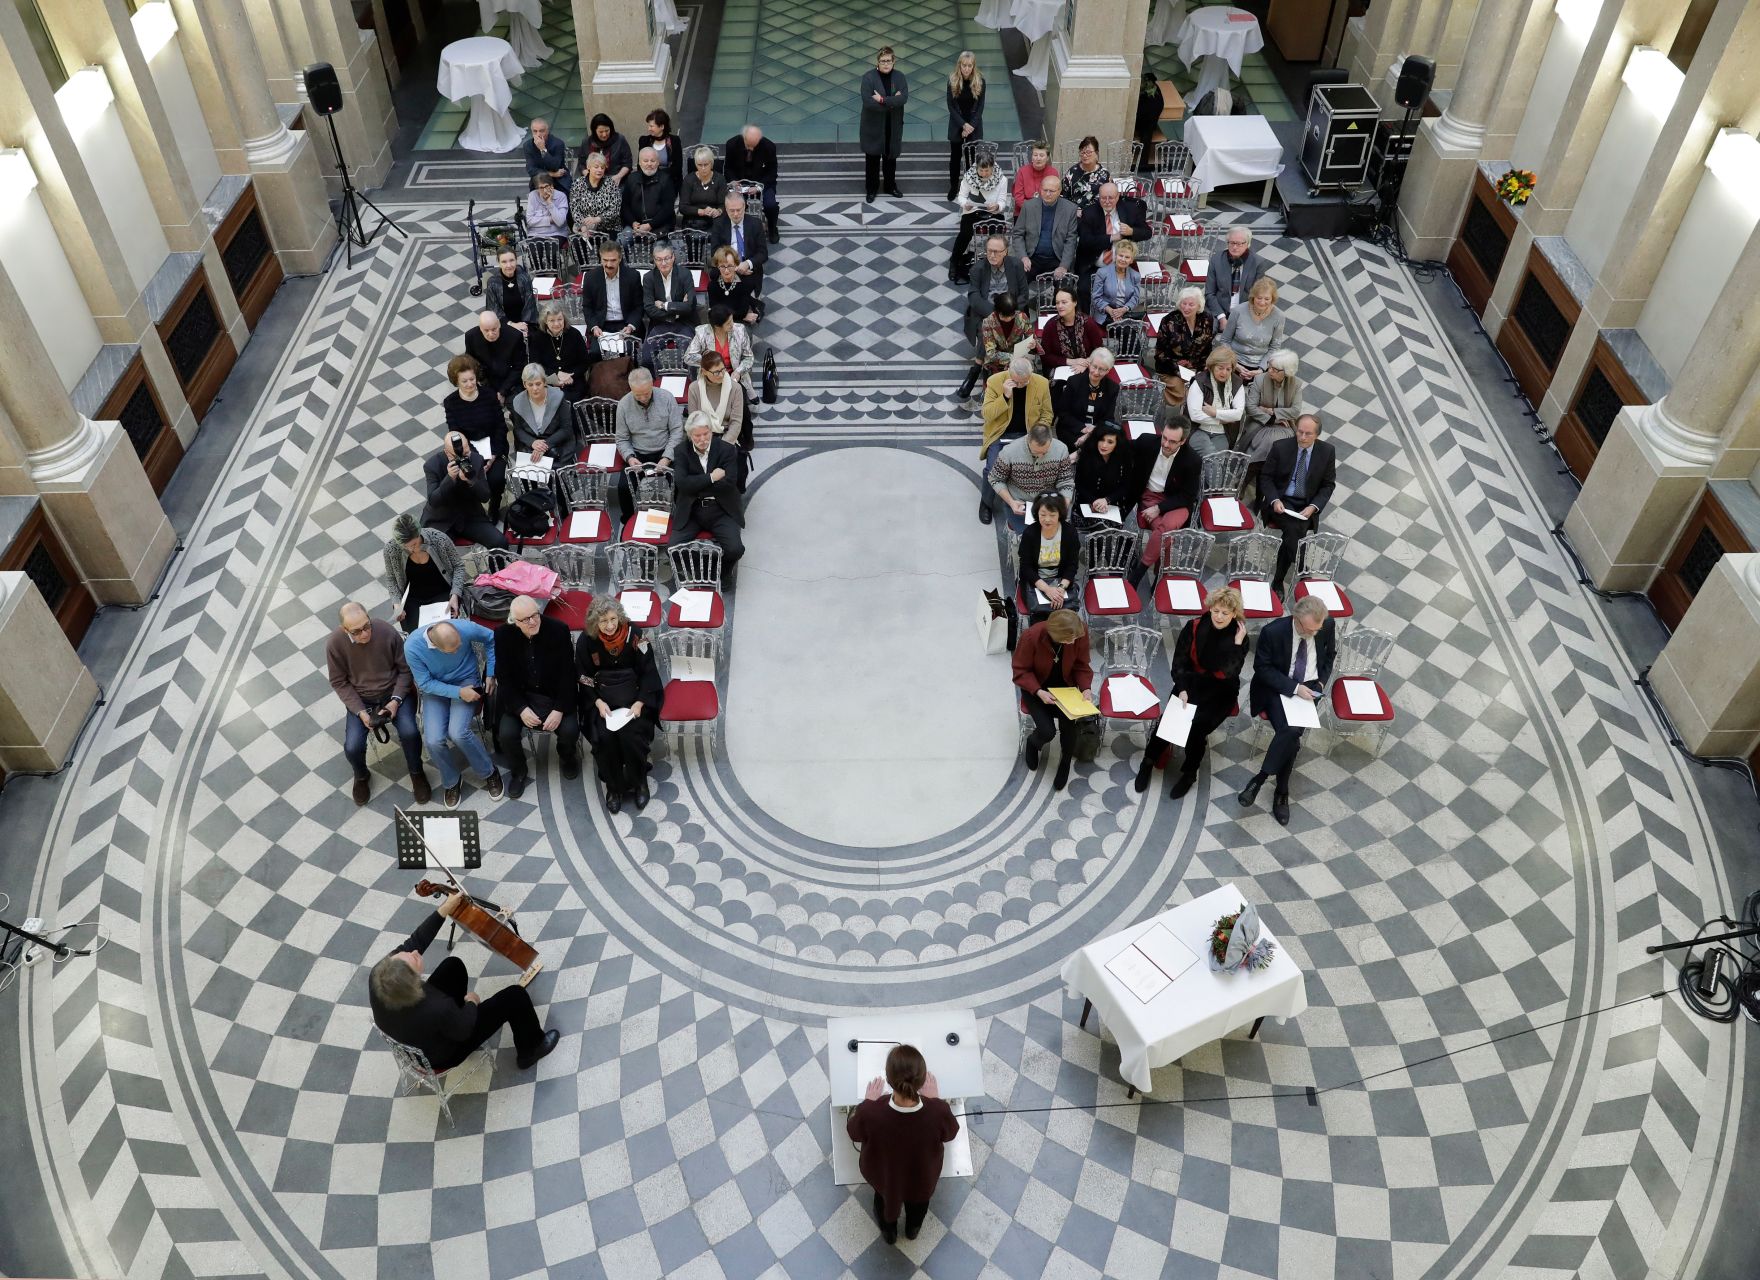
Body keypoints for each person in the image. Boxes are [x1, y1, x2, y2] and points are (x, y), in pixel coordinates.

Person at [368, 895, 559, 1072]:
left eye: (407, 953)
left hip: (413, 1035)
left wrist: (443, 910)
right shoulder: (437, 1007)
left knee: (453, 966)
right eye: (414, 959)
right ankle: (531, 1049)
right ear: (414, 985)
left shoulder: (380, 975)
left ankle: (453, 1017)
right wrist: (471, 1003)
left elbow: (415, 941)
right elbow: (463, 1030)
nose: (415, 953)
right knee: (515, 996)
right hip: (442, 1054)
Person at [1134, 587, 1249, 799]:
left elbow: (1228, 672)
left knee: (1196, 731)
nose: (1219, 616)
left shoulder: (1240, 635)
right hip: (1191, 683)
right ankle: (1148, 760)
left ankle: (1189, 773)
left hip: (1219, 691)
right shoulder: (1194, 626)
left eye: (1225, 613)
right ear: (1210, 608)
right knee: (1169, 720)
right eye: (1216, 611)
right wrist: (1183, 689)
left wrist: (1237, 643)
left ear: (1234, 614)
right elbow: (1179, 663)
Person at [846, 1044, 960, 1245]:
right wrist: (935, 1100)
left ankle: (889, 1234)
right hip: (921, 1180)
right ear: (923, 1080)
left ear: (889, 1081)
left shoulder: (870, 1112)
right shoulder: (938, 1111)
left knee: (884, 1205)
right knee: (918, 1210)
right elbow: (950, 1133)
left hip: (885, 1179)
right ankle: (912, 1231)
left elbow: (854, 1133)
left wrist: (867, 1102)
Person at [1241, 595, 1335, 825]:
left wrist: (1321, 683)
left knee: (1291, 731)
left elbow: (1329, 656)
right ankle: (1281, 792)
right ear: (1297, 619)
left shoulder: (1326, 625)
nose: (1315, 633)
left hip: (1311, 688)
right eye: (1310, 630)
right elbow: (1262, 668)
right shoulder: (1272, 632)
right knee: (1292, 734)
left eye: (1318, 629)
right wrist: (1294, 687)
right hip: (1278, 688)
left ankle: (1260, 779)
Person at [328, 601, 430, 805]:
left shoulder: (385, 630)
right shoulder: (335, 644)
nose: (365, 634)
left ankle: (416, 772)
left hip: (393, 693)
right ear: (344, 629)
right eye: (356, 632)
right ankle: (362, 775)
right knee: (352, 746)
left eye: (367, 626)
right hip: (362, 700)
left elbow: (405, 669)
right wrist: (360, 712)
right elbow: (339, 682)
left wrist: (395, 701)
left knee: (410, 732)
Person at [576, 597, 663, 812]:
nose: (610, 625)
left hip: (634, 701)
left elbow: (648, 669)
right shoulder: (586, 640)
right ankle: (614, 788)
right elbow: (584, 676)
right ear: (595, 622)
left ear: (620, 617)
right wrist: (596, 701)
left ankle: (639, 783)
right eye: (604, 620)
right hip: (602, 703)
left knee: (631, 736)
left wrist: (641, 702)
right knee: (605, 738)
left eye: (613, 618)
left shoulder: (636, 634)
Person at [405, 619, 503, 808]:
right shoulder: (412, 647)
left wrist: (491, 672)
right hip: (435, 688)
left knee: (458, 732)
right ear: (435, 646)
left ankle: (489, 772)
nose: (459, 650)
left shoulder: (463, 627)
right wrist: (458, 693)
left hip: (466, 679)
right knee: (433, 739)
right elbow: (424, 684)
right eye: (453, 650)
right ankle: (451, 781)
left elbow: (491, 637)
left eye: (460, 644)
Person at [494, 595, 580, 799]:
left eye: (535, 615)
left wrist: (559, 709)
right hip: (521, 696)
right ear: (514, 621)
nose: (532, 622)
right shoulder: (502, 635)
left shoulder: (559, 630)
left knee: (569, 731)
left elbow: (568, 673)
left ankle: (567, 757)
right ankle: (519, 771)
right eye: (525, 619)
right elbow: (504, 677)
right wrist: (521, 709)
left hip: (554, 694)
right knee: (506, 734)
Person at [1012, 608, 1094, 790]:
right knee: (1047, 731)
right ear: (1055, 634)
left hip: (1065, 688)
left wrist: (1086, 687)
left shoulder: (1079, 631)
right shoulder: (1031, 637)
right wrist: (1038, 691)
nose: (1074, 642)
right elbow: (1021, 670)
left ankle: (1065, 761)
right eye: (1069, 640)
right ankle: (1033, 744)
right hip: (1037, 688)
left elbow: (1082, 664)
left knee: (1069, 725)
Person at [1259, 413, 1337, 592]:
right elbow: (1266, 477)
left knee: (1293, 533)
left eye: (1308, 434)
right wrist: (1274, 499)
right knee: (1295, 530)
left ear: (1317, 435)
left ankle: (1279, 581)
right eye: (1299, 432)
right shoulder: (1280, 447)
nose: (1302, 437)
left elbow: (1328, 485)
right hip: (1282, 501)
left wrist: (1313, 507)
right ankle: (1300, 570)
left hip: (1306, 503)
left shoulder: (1327, 452)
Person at [670, 412, 745, 586]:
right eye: (697, 436)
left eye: (706, 434)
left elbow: (729, 483)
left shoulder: (727, 449)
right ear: (690, 435)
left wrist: (695, 486)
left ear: (711, 431)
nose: (703, 439)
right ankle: (701, 569)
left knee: (735, 549)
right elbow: (682, 483)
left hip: (721, 508)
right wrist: (711, 478)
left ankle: (723, 572)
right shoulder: (681, 451)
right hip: (692, 509)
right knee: (672, 549)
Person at [980, 356, 1052, 524]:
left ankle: (1029, 503)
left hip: (1028, 434)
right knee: (993, 469)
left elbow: (1047, 414)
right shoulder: (995, 381)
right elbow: (987, 414)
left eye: (1024, 382)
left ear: (1031, 375)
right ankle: (986, 503)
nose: (1020, 385)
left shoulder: (1041, 383)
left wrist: (1037, 434)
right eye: (1016, 382)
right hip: (1001, 434)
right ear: (1009, 373)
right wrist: (1004, 397)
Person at [1127, 420, 1201, 582]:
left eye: (1172, 441)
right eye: (1164, 438)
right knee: (1168, 535)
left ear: (1183, 441)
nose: (1166, 444)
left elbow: (1188, 496)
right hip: (1150, 495)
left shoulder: (1192, 460)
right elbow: (1121, 446)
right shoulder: (1148, 442)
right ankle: (1161, 577)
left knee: (1166, 529)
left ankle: (1139, 572)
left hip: (1178, 503)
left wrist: (1159, 508)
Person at [442, 355, 509, 518]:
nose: (470, 384)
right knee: (465, 478)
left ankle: (494, 504)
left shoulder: (489, 395)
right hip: (467, 451)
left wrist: (493, 455)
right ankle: (473, 511)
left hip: (494, 447)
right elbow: (456, 433)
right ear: (456, 381)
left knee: (496, 478)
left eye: (472, 379)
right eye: (464, 381)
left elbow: (500, 427)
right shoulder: (451, 402)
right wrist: (475, 458)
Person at [384, 512, 470, 635]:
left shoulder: (439, 539)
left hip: (443, 593)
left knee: (449, 634)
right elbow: (391, 578)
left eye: (414, 544)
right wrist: (397, 603)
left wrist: (455, 594)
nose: (410, 549)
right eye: (405, 546)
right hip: (413, 600)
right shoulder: (391, 549)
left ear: (419, 534)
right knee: (418, 639)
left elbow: (459, 566)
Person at [421, 431, 508, 550]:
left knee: (500, 542)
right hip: (441, 519)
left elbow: (485, 496)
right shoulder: (432, 465)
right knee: (433, 552)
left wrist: (470, 480)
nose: (465, 457)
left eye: (467, 452)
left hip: (470, 516)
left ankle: (498, 569)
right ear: (447, 453)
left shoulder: (476, 459)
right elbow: (433, 500)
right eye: (459, 455)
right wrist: (449, 478)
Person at [615, 368, 683, 515]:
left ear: (652, 385)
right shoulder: (624, 404)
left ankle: (682, 518)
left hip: (665, 450)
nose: (643, 398)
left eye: (646, 393)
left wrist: (667, 457)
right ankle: (628, 521)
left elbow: (677, 431)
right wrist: (630, 457)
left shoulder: (666, 398)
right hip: (638, 453)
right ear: (631, 389)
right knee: (623, 488)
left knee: (681, 483)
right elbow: (622, 438)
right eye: (637, 395)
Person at [963, 236, 1028, 377]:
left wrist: (1010, 312)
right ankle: (985, 370)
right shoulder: (978, 269)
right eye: (989, 251)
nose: (992, 255)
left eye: (997, 251)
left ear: (1005, 252)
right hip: (986, 311)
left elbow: (1024, 294)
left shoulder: (1016, 265)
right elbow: (974, 297)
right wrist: (996, 315)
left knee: (991, 330)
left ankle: (977, 368)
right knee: (985, 330)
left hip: (1011, 311)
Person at [991, 423, 1073, 534]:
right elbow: (996, 479)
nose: (1040, 456)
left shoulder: (1061, 449)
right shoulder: (1009, 452)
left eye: (1044, 452)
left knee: (1057, 536)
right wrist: (1011, 502)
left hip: (1049, 502)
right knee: (1029, 537)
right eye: (1035, 452)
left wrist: (1063, 506)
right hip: (1020, 505)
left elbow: (1066, 481)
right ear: (1028, 440)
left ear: (1051, 440)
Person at [688, 350, 749, 486]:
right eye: (716, 372)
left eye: (723, 370)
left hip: (727, 438)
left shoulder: (735, 388)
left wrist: (722, 447)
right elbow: (694, 421)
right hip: (702, 438)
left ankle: (734, 497)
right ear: (704, 372)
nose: (721, 374)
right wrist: (705, 445)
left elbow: (736, 423)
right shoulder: (694, 389)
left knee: (735, 464)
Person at [1018, 493, 1080, 622]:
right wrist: (1047, 589)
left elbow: (1072, 565)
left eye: (1052, 515)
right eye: (1043, 514)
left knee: (1065, 619)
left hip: (1060, 581)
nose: (1047, 519)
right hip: (1036, 581)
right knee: (1041, 618)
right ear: (1037, 514)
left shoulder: (1069, 532)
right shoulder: (1030, 533)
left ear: (1060, 515)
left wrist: (1060, 589)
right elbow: (1026, 567)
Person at [948, 150, 1006, 284]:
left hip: (993, 212)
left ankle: (996, 264)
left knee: (996, 236)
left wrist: (997, 206)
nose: (984, 174)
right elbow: (961, 196)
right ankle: (954, 261)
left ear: (992, 167)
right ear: (977, 167)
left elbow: (1003, 200)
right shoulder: (969, 177)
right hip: (973, 211)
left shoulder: (1002, 179)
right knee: (965, 233)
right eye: (981, 170)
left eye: (988, 171)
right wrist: (965, 204)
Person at [970, 289, 1037, 402]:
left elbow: (1032, 337)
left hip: (1018, 355)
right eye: (1004, 316)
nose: (1008, 319)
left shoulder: (1022, 317)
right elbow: (991, 353)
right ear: (997, 311)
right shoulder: (988, 322)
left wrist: (1033, 344)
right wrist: (1012, 359)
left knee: (1027, 376)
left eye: (1011, 316)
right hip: (996, 360)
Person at [1239, 349, 1303, 468]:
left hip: (1285, 427)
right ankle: (1254, 469)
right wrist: (1272, 419)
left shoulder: (1296, 384)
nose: (1269, 371)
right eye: (1270, 366)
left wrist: (1271, 411)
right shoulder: (1260, 379)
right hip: (1259, 424)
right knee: (1270, 443)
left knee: (1271, 442)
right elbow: (1250, 407)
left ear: (1287, 372)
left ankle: (1247, 469)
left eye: (1275, 369)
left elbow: (1295, 411)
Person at [685, 304, 757, 409]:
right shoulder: (702, 333)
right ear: (717, 326)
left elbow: (749, 357)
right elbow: (688, 357)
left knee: (738, 404)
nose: (732, 325)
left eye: (732, 320)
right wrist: (708, 360)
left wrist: (738, 372)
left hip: (734, 375)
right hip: (711, 376)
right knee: (710, 406)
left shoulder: (739, 330)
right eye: (728, 323)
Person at [1041, 286, 1106, 400]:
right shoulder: (1051, 326)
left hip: (1086, 366)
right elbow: (1045, 356)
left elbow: (1099, 349)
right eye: (1057, 303)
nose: (1060, 306)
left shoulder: (1088, 323)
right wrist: (1072, 361)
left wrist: (1086, 363)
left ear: (1075, 302)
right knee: (1058, 395)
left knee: (1088, 393)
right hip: (1061, 368)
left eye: (1064, 302)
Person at [861, 46, 908, 201]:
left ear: (893, 61)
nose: (886, 64)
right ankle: (871, 189)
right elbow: (868, 102)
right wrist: (892, 102)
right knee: (872, 159)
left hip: (892, 126)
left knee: (890, 159)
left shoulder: (900, 77)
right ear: (878, 62)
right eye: (883, 61)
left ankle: (890, 186)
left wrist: (882, 100)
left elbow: (903, 98)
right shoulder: (868, 77)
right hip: (873, 126)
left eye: (888, 61)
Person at [1011, 174, 1079, 280]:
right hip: (1032, 257)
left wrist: (1063, 266)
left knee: (1065, 287)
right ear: (1040, 189)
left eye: (1052, 191)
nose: (1048, 194)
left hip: (1057, 258)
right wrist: (1023, 257)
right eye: (1045, 190)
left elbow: (1071, 240)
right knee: (1017, 282)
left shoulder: (1070, 209)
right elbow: (1017, 234)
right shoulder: (1028, 206)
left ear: (1059, 191)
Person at [510, 363, 576, 469]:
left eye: (538, 384)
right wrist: (532, 442)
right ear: (524, 384)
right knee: (528, 479)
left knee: (556, 479)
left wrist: (544, 446)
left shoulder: (558, 397)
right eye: (530, 385)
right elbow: (518, 429)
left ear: (544, 382)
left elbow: (566, 429)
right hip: (531, 445)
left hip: (557, 444)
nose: (535, 388)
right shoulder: (518, 401)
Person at [1185, 343, 1247, 456]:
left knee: (1216, 458)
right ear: (1212, 366)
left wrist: (1215, 412)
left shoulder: (1237, 383)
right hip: (1198, 430)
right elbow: (1195, 415)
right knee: (1211, 456)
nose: (1224, 373)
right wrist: (1221, 419)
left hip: (1223, 433)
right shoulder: (1200, 381)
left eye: (1228, 369)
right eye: (1220, 368)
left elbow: (1238, 414)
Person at [1074, 182, 1145, 279]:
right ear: (1099, 197)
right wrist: (1112, 237)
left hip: (1120, 265)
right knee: (1084, 290)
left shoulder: (1128, 210)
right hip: (1092, 265)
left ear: (1117, 197)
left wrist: (1131, 231)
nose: (1107, 201)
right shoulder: (1089, 212)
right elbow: (1085, 240)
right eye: (1103, 198)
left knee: (1122, 292)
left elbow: (1146, 232)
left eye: (1111, 198)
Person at [582, 242, 644, 352]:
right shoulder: (590, 277)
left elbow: (638, 306)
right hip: (602, 325)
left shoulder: (633, 276)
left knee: (629, 352)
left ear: (620, 259)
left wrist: (631, 326)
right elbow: (587, 307)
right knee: (595, 353)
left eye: (613, 260)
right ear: (600, 258)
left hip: (625, 324)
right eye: (605, 260)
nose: (609, 264)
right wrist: (594, 326)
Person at [724, 123, 780, 240]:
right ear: (743, 138)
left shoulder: (769, 147)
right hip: (740, 182)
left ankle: (772, 228)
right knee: (736, 205)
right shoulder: (732, 145)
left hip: (762, 182)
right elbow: (728, 168)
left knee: (771, 205)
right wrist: (733, 181)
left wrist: (759, 187)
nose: (751, 149)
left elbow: (772, 173)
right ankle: (741, 230)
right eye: (749, 145)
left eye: (755, 145)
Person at [1055, 347, 1118, 449]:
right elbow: (1062, 413)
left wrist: (1092, 432)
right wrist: (1083, 429)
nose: (1096, 372)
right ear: (1089, 364)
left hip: (1097, 430)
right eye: (1094, 366)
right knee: (1090, 448)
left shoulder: (1112, 388)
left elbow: (1108, 418)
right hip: (1072, 428)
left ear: (1108, 371)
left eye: (1101, 369)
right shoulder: (1074, 382)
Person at [1219, 277, 1285, 374]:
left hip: (1262, 365)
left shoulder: (1279, 316)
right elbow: (1225, 340)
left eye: (1267, 299)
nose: (1262, 302)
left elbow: (1274, 347)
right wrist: (1234, 364)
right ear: (1253, 296)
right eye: (1259, 298)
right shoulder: (1238, 311)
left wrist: (1261, 369)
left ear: (1272, 299)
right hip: (1233, 361)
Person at [530, 303, 593, 404]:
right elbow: (535, 365)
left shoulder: (574, 334)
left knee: (573, 399)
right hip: (548, 381)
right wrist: (557, 375)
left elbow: (585, 362)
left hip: (573, 381)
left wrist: (570, 375)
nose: (556, 324)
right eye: (552, 320)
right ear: (545, 321)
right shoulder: (537, 338)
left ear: (564, 319)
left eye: (559, 319)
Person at [642, 241, 698, 351]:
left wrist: (664, 305)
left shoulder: (685, 274)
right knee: (647, 358)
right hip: (660, 323)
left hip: (684, 322)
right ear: (654, 260)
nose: (663, 263)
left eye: (667, 258)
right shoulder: (649, 278)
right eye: (659, 259)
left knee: (689, 355)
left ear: (673, 257)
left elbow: (690, 306)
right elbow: (649, 309)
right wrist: (674, 313)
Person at [709, 191, 769, 294]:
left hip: (749, 268)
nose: (736, 214)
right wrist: (734, 268)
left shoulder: (755, 224)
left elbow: (763, 253)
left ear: (744, 207)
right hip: (726, 266)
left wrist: (747, 264)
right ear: (726, 209)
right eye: (732, 211)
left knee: (747, 286)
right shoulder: (719, 224)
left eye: (739, 210)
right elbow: (715, 252)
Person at [1205, 226, 1268, 324]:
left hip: (1246, 312)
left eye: (1239, 244)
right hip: (1219, 311)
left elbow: (1258, 295)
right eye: (1232, 243)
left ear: (1248, 244)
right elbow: (1209, 293)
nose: (1234, 247)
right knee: (1207, 333)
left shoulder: (1258, 263)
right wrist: (1221, 318)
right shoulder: (1216, 260)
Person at [945, 51, 986, 199]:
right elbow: (950, 106)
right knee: (955, 158)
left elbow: (980, 107)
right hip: (957, 125)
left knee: (971, 159)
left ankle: (969, 187)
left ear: (973, 66)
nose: (967, 68)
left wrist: (970, 127)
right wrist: (963, 125)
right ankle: (953, 187)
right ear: (959, 65)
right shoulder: (952, 81)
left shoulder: (980, 81)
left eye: (969, 65)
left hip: (973, 127)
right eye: (964, 65)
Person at [1073, 422, 1133, 521]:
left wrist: (1107, 500)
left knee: (1108, 530)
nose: (1104, 445)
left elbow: (1125, 487)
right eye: (1101, 440)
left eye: (1110, 442)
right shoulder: (1087, 454)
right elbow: (1078, 484)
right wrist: (1094, 501)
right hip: (1086, 501)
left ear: (1117, 443)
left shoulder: (1124, 459)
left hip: (1111, 503)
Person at [619, 147, 677, 248]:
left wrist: (650, 225)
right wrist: (633, 223)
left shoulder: (666, 179)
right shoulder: (632, 178)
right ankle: (624, 264)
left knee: (660, 250)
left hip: (659, 226)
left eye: (652, 161)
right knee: (620, 243)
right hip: (635, 226)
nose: (649, 164)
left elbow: (667, 209)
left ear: (658, 162)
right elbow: (625, 206)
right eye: (645, 161)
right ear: (640, 163)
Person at [1153, 286, 1214, 379]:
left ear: (1199, 306)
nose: (1186, 308)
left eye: (1191, 304)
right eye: (1184, 303)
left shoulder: (1206, 319)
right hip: (1172, 370)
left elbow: (1208, 348)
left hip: (1198, 368)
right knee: (1182, 391)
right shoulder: (1168, 321)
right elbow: (1160, 354)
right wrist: (1177, 367)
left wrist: (1203, 368)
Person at [464, 310, 527, 401]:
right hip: (485, 379)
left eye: (494, 329)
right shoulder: (471, 336)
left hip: (510, 380)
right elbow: (470, 362)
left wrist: (503, 391)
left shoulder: (515, 336)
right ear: (480, 328)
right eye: (486, 330)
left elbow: (519, 367)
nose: (491, 334)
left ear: (499, 324)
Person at [704, 245, 760, 326]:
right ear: (717, 267)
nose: (726, 271)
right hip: (720, 324)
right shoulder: (713, 285)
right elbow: (715, 313)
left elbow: (742, 311)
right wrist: (742, 316)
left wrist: (740, 316)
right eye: (722, 266)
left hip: (739, 323)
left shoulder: (746, 284)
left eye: (730, 266)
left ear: (736, 265)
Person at [570, 151, 623, 236]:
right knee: (578, 243)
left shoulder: (611, 184)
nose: (600, 170)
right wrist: (582, 226)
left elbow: (615, 209)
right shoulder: (577, 184)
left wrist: (597, 219)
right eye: (596, 167)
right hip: (584, 227)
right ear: (588, 167)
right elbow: (574, 209)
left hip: (608, 228)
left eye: (602, 167)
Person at [1089, 238, 1142, 324]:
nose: (1123, 259)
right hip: (1105, 314)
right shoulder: (1102, 272)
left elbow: (1135, 298)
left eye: (1127, 257)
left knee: (1129, 330)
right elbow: (1096, 297)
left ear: (1131, 260)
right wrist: (1111, 311)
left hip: (1125, 313)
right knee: (1125, 330)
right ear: (1115, 256)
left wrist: (1124, 310)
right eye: (1121, 255)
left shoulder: (1135, 275)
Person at [482, 253, 535, 336]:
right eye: (504, 262)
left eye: (511, 260)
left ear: (516, 260)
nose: (509, 265)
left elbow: (530, 304)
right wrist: (512, 324)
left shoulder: (524, 278)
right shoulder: (493, 282)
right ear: (499, 263)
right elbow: (493, 309)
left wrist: (524, 324)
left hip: (526, 321)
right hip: (504, 323)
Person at [681, 146, 727, 232]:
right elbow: (683, 207)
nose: (703, 168)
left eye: (706, 164)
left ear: (711, 163)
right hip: (692, 221)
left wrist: (718, 211)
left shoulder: (720, 179)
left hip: (714, 219)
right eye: (699, 165)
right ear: (696, 164)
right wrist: (702, 211)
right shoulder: (689, 180)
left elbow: (723, 204)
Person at [580, 112, 632, 184]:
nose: (604, 135)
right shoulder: (587, 142)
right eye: (601, 132)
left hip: (616, 179)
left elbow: (627, 163)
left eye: (607, 131)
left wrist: (618, 177)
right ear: (594, 131)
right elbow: (582, 164)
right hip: (593, 181)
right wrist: (590, 177)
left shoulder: (620, 140)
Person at [523, 117, 570, 193]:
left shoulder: (558, 144)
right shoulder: (528, 146)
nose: (538, 134)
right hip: (540, 179)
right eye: (535, 131)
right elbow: (531, 170)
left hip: (559, 180)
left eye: (541, 131)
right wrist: (552, 174)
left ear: (547, 131)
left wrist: (543, 149)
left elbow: (555, 166)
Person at [1011, 140, 1057, 217]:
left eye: (1041, 155)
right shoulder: (1022, 171)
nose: (1038, 158)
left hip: (1045, 211)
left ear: (1047, 158)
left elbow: (1053, 196)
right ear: (1032, 157)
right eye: (1035, 155)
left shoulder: (1053, 173)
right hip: (1024, 211)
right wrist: (1032, 210)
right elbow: (1018, 198)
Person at [644, 107, 684, 193]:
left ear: (662, 126)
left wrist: (659, 174)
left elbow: (677, 168)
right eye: (648, 126)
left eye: (651, 126)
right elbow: (641, 165)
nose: (649, 129)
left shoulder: (674, 141)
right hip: (649, 180)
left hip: (670, 180)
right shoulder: (644, 141)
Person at [1063, 136, 1110, 209]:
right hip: (1074, 213)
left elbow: (1107, 197)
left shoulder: (1104, 174)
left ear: (1096, 153)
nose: (1085, 155)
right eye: (1082, 152)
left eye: (1088, 152)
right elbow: (1065, 196)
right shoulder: (1072, 171)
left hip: (1096, 213)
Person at [524, 172, 569, 239]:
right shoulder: (532, 196)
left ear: (551, 186)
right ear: (537, 189)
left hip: (557, 233)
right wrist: (550, 220)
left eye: (546, 186)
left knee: (551, 247)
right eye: (541, 188)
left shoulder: (561, 196)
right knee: (535, 247)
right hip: (536, 233)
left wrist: (549, 203)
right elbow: (530, 220)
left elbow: (560, 222)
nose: (544, 190)